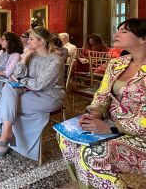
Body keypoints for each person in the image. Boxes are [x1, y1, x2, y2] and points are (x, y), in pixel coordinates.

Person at [58, 18, 146, 188]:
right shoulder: (117, 63)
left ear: (143, 39)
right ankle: (84, 183)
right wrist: (95, 113)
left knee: (92, 153)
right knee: (65, 137)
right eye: (118, 29)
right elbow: (102, 94)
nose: (115, 34)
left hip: (138, 133)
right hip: (110, 123)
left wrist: (112, 128)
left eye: (124, 31)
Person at [0, 26, 65, 158]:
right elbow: (19, 73)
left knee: (9, 103)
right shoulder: (32, 55)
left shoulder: (55, 60)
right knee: (7, 89)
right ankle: (7, 134)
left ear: (41, 41)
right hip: (29, 90)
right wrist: (24, 58)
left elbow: (38, 84)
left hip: (50, 95)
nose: (27, 41)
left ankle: (5, 136)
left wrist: (22, 80)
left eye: (31, 39)